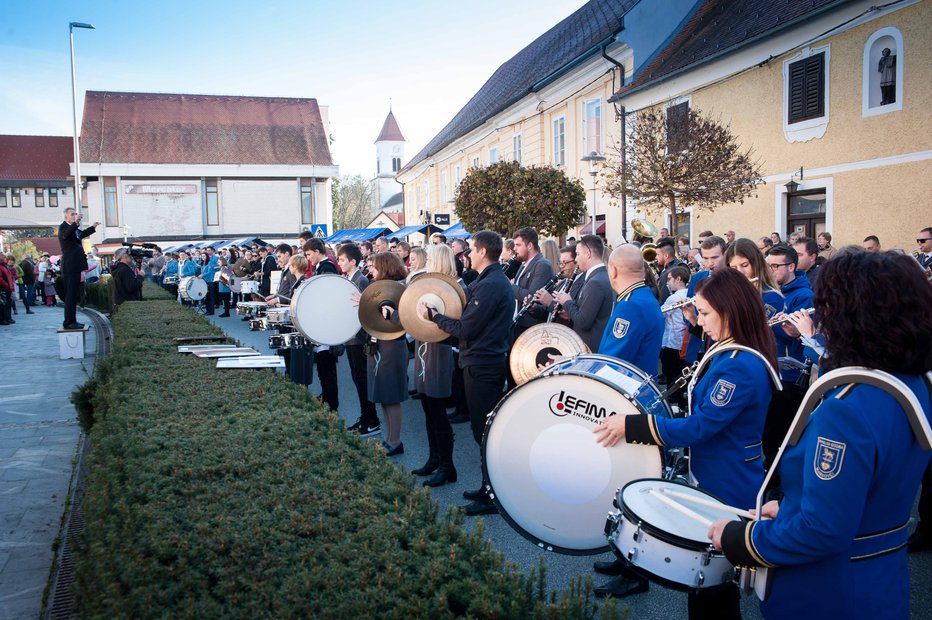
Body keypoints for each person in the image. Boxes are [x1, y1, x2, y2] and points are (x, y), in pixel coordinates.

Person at [709, 250, 932, 619]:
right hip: (881, 582)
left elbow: (822, 531)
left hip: (829, 594)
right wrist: (791, 505)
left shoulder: (849, 407)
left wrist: (738, 538)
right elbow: (869, 486)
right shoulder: (912, 385)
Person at [596, 267, 780, 615]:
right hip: (715, 475)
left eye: (707, 313)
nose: (700, 321)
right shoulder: (729, 352)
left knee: (713, 591)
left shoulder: (739, 364)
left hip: (727, 486)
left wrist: (633, 427)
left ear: (731, 312)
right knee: (706, 590)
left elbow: (701, 427)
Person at [419, 230, 514, 516]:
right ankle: (488, 488)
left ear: (483, 252)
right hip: (480, 361)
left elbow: (466, 328)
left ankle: (492, 496)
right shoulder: (488, 281)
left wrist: (434, 317)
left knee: (483, 431)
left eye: (471, 249)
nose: (467, 254)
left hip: (483, 364)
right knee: (481, 429)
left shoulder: (491, 284)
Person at [410, 243, 461, 487]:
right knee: (429, 409)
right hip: (423, 348)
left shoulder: (456, 288)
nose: (427, 262)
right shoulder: (428, 285)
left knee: (438, 412)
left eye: (430, 258)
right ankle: (434, 458)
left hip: (440, 351)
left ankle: (447, 466)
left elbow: (455, 324)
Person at [763, 244, 814, 471]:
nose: (770, 270)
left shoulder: (804, 295)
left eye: (775, 266)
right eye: (768, 265)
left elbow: (795, 333)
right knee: (767, 431)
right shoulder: (769, 291)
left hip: (790, 376)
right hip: (770, 369)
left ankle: (778, 485)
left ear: (791, 266)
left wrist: (773, 319)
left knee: (780, 435)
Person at [364, 252, 410, 456]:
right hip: (380, 346)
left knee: (391, 396)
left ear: (384, 267)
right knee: (383, 395)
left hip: (391, 346)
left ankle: (395, 440)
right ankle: (389, 439)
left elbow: (395, 317)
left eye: (374, 267)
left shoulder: (398, 289)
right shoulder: (380, 288)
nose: (370, 271)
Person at [537, 235, 613, 353]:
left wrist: (566, 301)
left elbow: (583, 321)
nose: (576, 260)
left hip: (590, 348)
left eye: (577, 254)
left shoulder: (595, 282)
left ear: (588, 254)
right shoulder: (600, 276)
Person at [598, 244, 663, 374]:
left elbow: (611, 363)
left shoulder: (630, 306)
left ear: (613, 271)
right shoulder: (644, 296)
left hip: (625, 388)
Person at [338, 244, 380, 438]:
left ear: (353, 261)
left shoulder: (361, 280)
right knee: (358, 380)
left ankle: (372, 421)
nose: (339, 263)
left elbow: (365, 311)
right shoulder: (350, 279)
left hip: (359, 338)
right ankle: (365, 417)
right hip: (350, 338)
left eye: (342, 260)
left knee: (363, 381)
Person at [304, 238, 340, 412]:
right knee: (323, 366)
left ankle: (331, 402)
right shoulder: (322, 266)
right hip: (324, 322)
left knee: (327, 367)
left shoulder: (327, 266)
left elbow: (327, 294)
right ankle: (326, 395)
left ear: (317, 251)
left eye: (309, 254)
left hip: (328, 324)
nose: (308, 258)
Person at [57, 207, 99, 329]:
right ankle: (69, 322)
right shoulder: (63, 227)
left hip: (75, 266)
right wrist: (76, 222)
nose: (75, 215)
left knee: (73, 295)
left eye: (76, 214)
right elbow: (66, 234)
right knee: (70, 295)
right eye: (72, 214)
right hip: (70, 266)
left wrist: (93, 227)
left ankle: (72, 320)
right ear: (66, 217)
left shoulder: (73, 229)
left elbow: (81, 234)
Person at [659, 265, 692, 409]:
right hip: (686, 341)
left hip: (673, 342)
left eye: (670, 279)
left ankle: (674, 401)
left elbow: (661, 314)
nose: (668, 282)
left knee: (672, 373)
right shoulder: (691, 294)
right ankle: (682, 400)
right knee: (683, 372)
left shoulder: (673, 298)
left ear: (679, 279)